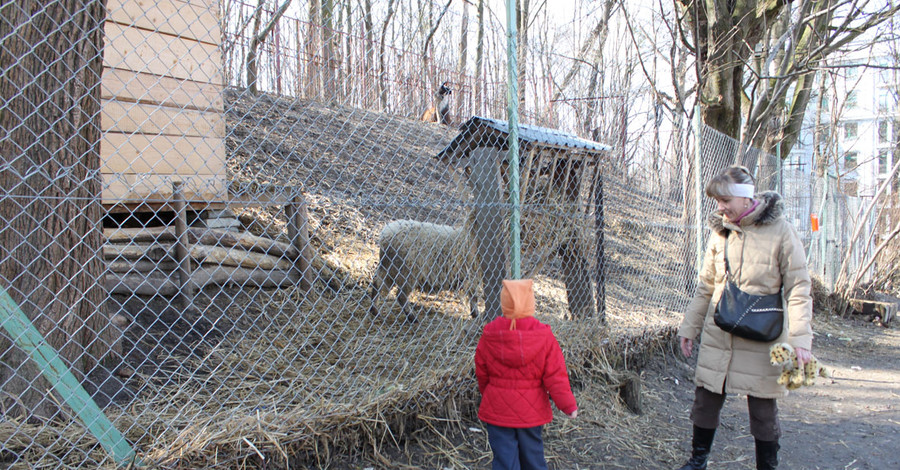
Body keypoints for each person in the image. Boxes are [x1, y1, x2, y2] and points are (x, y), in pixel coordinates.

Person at [676, 165, 813, 470]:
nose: (720, 207)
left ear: (744, 198)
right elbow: (706, 285)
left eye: (725, 200)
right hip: (719, 331)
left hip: (764, 334)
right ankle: (697, 461)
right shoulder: (720, 232)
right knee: (705, 400)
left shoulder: (782, 232)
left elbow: (799, 287)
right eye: (717, 201)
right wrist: (690, 328)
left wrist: (801, 338)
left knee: (764, 409)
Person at [475, 279, 578, 470]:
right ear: (531, 304)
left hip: (497, 409)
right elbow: (556, 375)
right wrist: (568, 405)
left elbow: (481, 370)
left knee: (504, 460)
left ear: (503, 303)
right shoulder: (544, 336)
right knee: (532, 456)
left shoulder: (490, 333)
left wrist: (488, 393)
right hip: (531, 412)